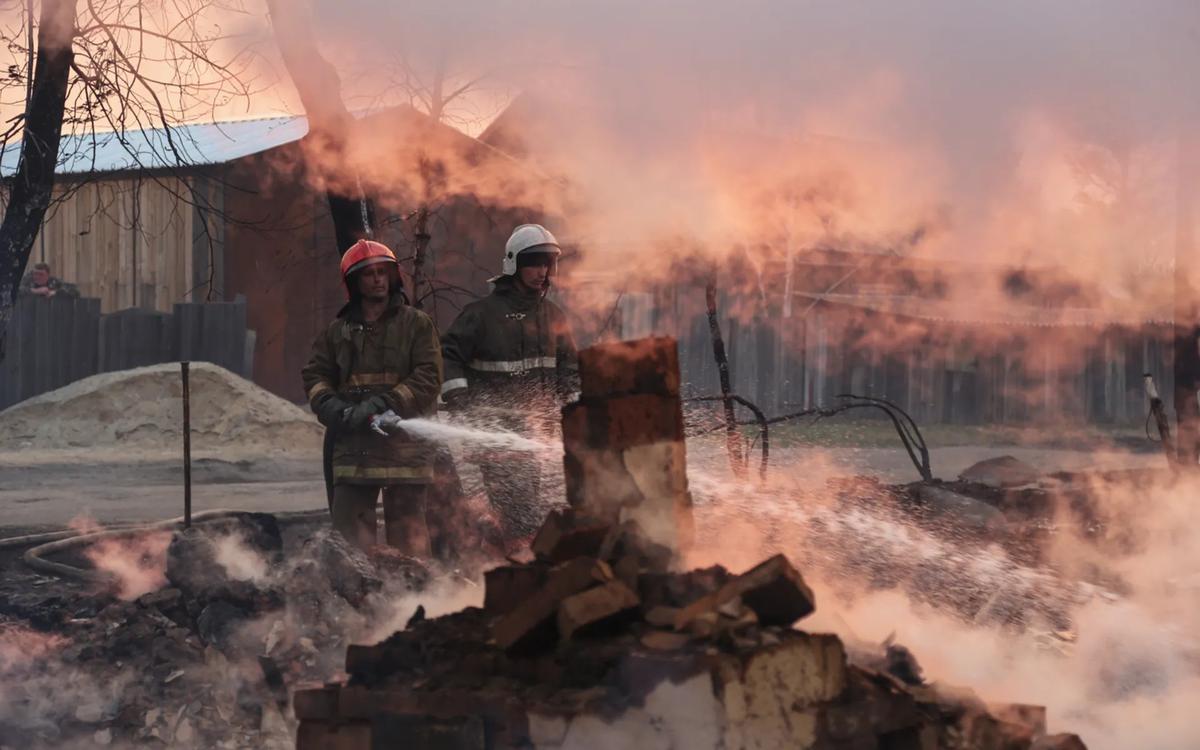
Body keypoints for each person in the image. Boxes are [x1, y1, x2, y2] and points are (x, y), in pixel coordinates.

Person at [301, 240, 443, 554]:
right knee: (351, 543)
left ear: (394, 277)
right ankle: (358, 598)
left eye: (383, 272)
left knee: (410, 543)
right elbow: (315, 376)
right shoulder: (337, 332)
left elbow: (428, 377)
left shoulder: (416, 324)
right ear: (354, 282)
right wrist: (334, 410)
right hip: (355, 449)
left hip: (405, 448)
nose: (378, 279)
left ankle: (415, 600)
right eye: (369, 274)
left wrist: (381, 404)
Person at [440, 223, 578, 540]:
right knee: (516, 511)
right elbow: (448, 355)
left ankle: (512, 565)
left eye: (547, 263)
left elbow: (569, 369)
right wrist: (460, 397)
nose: (542, 271)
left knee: (523, 508)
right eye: (534, 262)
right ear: (513, 263)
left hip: (535, 435)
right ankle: (514, 567)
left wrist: (572, 405)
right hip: (495, 432)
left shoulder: (553, 316)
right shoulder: (481, 315)